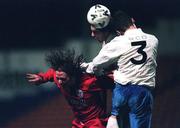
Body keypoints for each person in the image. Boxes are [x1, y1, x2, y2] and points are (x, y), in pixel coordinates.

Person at [84, 7, 159, 128]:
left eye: (95, 31)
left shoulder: (118, 41)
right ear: (133, 20)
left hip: (120, 93)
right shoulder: (153, 40)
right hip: (142, 92)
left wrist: (89, 68)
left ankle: (113, 117)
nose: (92, 34)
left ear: (118, 32)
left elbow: (95, 64)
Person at [26, 48, 114, 128]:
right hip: (79, 122)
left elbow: (112, 82)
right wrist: (41, 78)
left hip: (95, 123)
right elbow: (50, 74)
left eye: (63, 79)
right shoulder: (58, 77)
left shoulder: (89, 82)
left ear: (73, 77)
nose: (59, 82)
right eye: (58, 78)